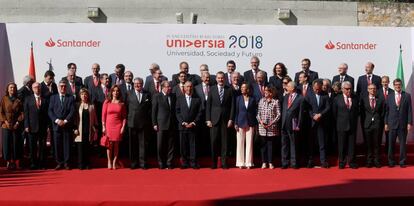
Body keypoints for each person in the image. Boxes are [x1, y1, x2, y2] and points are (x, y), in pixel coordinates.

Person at [206, 71, 235, 169]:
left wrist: (231, 119)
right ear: (216, 79)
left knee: (225, 143)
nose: (220, 79)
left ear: (225, 78)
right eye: (219, 78)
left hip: (226, 120)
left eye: (222, 78)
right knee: (214, 142)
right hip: (214, 120)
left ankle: (224, 163)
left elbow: (232, 106)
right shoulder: (212, 89)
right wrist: (208, 119)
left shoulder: (229, 89)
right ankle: (214, 163)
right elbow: (208, 105)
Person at [385, 78, 412, 168]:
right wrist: (386, 123)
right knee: (391, 144)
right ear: (393, 85)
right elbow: (386, 111)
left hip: (403, 124)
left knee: (402, 145)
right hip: (391, 124)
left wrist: (409, 123)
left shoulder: (407, 96)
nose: (398, 86)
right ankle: (391, 161)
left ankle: (402, 161)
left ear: (401, 85)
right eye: (396, 84)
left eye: (399, 84)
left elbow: (409, 111)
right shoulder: (389, 96)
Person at [48, 80, 75, 170]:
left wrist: (66, 121)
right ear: (58, 87)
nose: (63, 88)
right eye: (61, 86)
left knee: (67, 145)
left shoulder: (70, 98)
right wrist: (56, 120)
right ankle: (59, 163)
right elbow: (50, 111)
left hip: (67, 125)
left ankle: (67, 163)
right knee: (57, 145)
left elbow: (72, 111)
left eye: (64, 86)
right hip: (56, 125)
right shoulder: (53, 97)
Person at [176, 81, 202, 169]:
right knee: (183, 146)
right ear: (184, 88)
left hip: (193, 126)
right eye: (187, 87)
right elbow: (177, 112)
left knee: (193, 145)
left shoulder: (197, 99)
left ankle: (193, 162)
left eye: (190, 87)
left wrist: (194, 122)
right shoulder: (179, 98)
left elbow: (200, 112)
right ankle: (184, 163)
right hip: (182, 126)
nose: (189, 89)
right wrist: (183, 122)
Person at [332, 81, 359, 169]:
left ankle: (352, 162)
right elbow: (334, 113)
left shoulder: (355, 98)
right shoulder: (337, 99)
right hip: (341, 125)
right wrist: (339, 122)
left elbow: (357, 111)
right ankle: (342, 162)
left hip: (352, 125)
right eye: (347, 89)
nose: (349, 90)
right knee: (341, 145)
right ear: (342, 89)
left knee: (351, 145)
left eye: (350, 89)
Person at [126, 77, 152, 169]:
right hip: (132, 123)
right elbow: (126, 108)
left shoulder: (147, 94)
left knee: (143, 145)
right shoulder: (129, 94)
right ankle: (133, 163)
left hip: (144, 123)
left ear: (142, 84)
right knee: (132, 145)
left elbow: (150, 109)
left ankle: (143, 163)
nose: (137, 85)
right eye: (136, 83)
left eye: (139, 83)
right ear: (133, 84)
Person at [304, 80, 330, 168]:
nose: (317, 91)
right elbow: (307, 108)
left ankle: (323, 161)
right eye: (315, 89)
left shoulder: (325, 95)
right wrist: (313, 116)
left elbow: (328, 107)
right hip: (311, 123)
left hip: (321, 122)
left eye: (318, 89)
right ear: (313, 87)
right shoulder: (309, 95)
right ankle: (310, 161)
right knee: (310, 143)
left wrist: (320, 114)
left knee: (322, 143)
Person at [152, 80, 177, 169]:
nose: (170, 88)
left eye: (170, 86)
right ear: (163, 87)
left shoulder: (173, 96)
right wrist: (154, 123)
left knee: (171, 145)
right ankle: (161, 163)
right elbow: (154, 111)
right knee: (160, 145)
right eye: (168, 86)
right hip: (161, 124)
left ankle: (169, 163)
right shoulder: (157, 96)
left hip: (172, 124)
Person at [24, 82, 48, 169]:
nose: (37, 89)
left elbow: (47, 114)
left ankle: (42, 164)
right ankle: (33, 163)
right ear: (32, 89)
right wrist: (26, 126)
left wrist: (48, 126)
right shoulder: (28, 99)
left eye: (38, 87)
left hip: (42, 127)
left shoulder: (45, 99)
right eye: (35, 87)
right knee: (32, 146)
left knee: (42, 147)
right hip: (31, 127)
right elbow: (26, 114)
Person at [359, 84, 385, 168]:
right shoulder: (364, 100)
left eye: (374, 89)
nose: (372, 90)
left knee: (377, 144)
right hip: (367, 124)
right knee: (368, 144)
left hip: (377, 124)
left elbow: (383, 112)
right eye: (370, 89)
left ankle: (377, 161)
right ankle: (369, 161)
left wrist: (379, 120)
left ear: (376, 90)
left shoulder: (380, 99)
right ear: (367, 90)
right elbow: (362, 112)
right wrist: (365, 121)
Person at [102, 85, 127, 170]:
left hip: (118, 126)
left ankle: (114, 162)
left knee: (116, 145)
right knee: (109, 144)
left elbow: (124, 117)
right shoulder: (107, 102)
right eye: (114, 91)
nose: (115, 92)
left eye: (117, 91)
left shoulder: (121, 103)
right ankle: (109, 161)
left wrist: (123, 127)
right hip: (108, 125)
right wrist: (103, 126)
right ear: (111, 92)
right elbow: (103, 115)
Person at [0, 82, 24, 170]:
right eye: (10, 88)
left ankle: (14, 161)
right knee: (6, 144)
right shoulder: (4, 99)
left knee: (15, 144)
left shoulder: (19, 99)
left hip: (15, 125)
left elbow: (22, 112)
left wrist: (18, 122)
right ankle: (8, 161)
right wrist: (5, 121)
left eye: (14, 88)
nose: (12, 89)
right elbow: (1, 112)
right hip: (6, 125)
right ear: (8, 89)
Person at [234, 83, 257, 169]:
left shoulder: (252, 99)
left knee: (249, 143)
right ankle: (240, 162)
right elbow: (236, 112)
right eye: (241, 87)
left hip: (250, 123)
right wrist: (235, 123)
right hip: (240, 123)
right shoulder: (238, 98)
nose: (242, 89)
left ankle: (249, 163)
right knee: (240, 143)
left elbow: (255, 112)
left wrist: (255, 124)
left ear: (248, 89)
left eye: (244, 87)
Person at [73, 88, 98, 170]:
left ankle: (87, 164)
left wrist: (95, 128)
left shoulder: (92, 105)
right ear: (80, 96)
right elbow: (74, 118)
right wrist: (74, 128)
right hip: (79, 130)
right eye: (82, 94)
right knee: (80, 148)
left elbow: (95, 119)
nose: (84, 96)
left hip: (89, 129)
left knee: (87, 148)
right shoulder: (77, 105)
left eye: (85, 94)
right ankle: (80, 164)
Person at [257, 86, 281, 169]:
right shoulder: (261, 100)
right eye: (265, 91)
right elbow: (258, 113)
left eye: (267, 91)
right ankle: (264, 162)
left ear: (271, 92)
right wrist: (260, 122)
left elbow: (278, 114)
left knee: (270, 145)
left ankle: (270, 162)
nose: (265, 92)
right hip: (262, 126)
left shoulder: (276, 102)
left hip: (272, 127)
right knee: (263, 145)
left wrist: (272, 123)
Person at [281, 82, 303, 169]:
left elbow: (301, 113)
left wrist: (298, 124)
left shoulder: (300, 98)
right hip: (284, 123)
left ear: (293, 88)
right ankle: (285, 162)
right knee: (284, 144)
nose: (286, 87)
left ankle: (294, 163)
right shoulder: (286, 97)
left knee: (293, 144)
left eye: (288, 86)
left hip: (293, 123)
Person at [377, 76, 394, 153]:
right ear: (381, 82)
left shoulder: (392, 92)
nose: (385, 83)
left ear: (389, 82)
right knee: (379, 135)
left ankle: (388, 151)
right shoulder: (377, 92)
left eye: (386, 82)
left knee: (388, 136)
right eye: (383, 82)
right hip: (379, 117)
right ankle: (379, 151)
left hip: (389, 117)